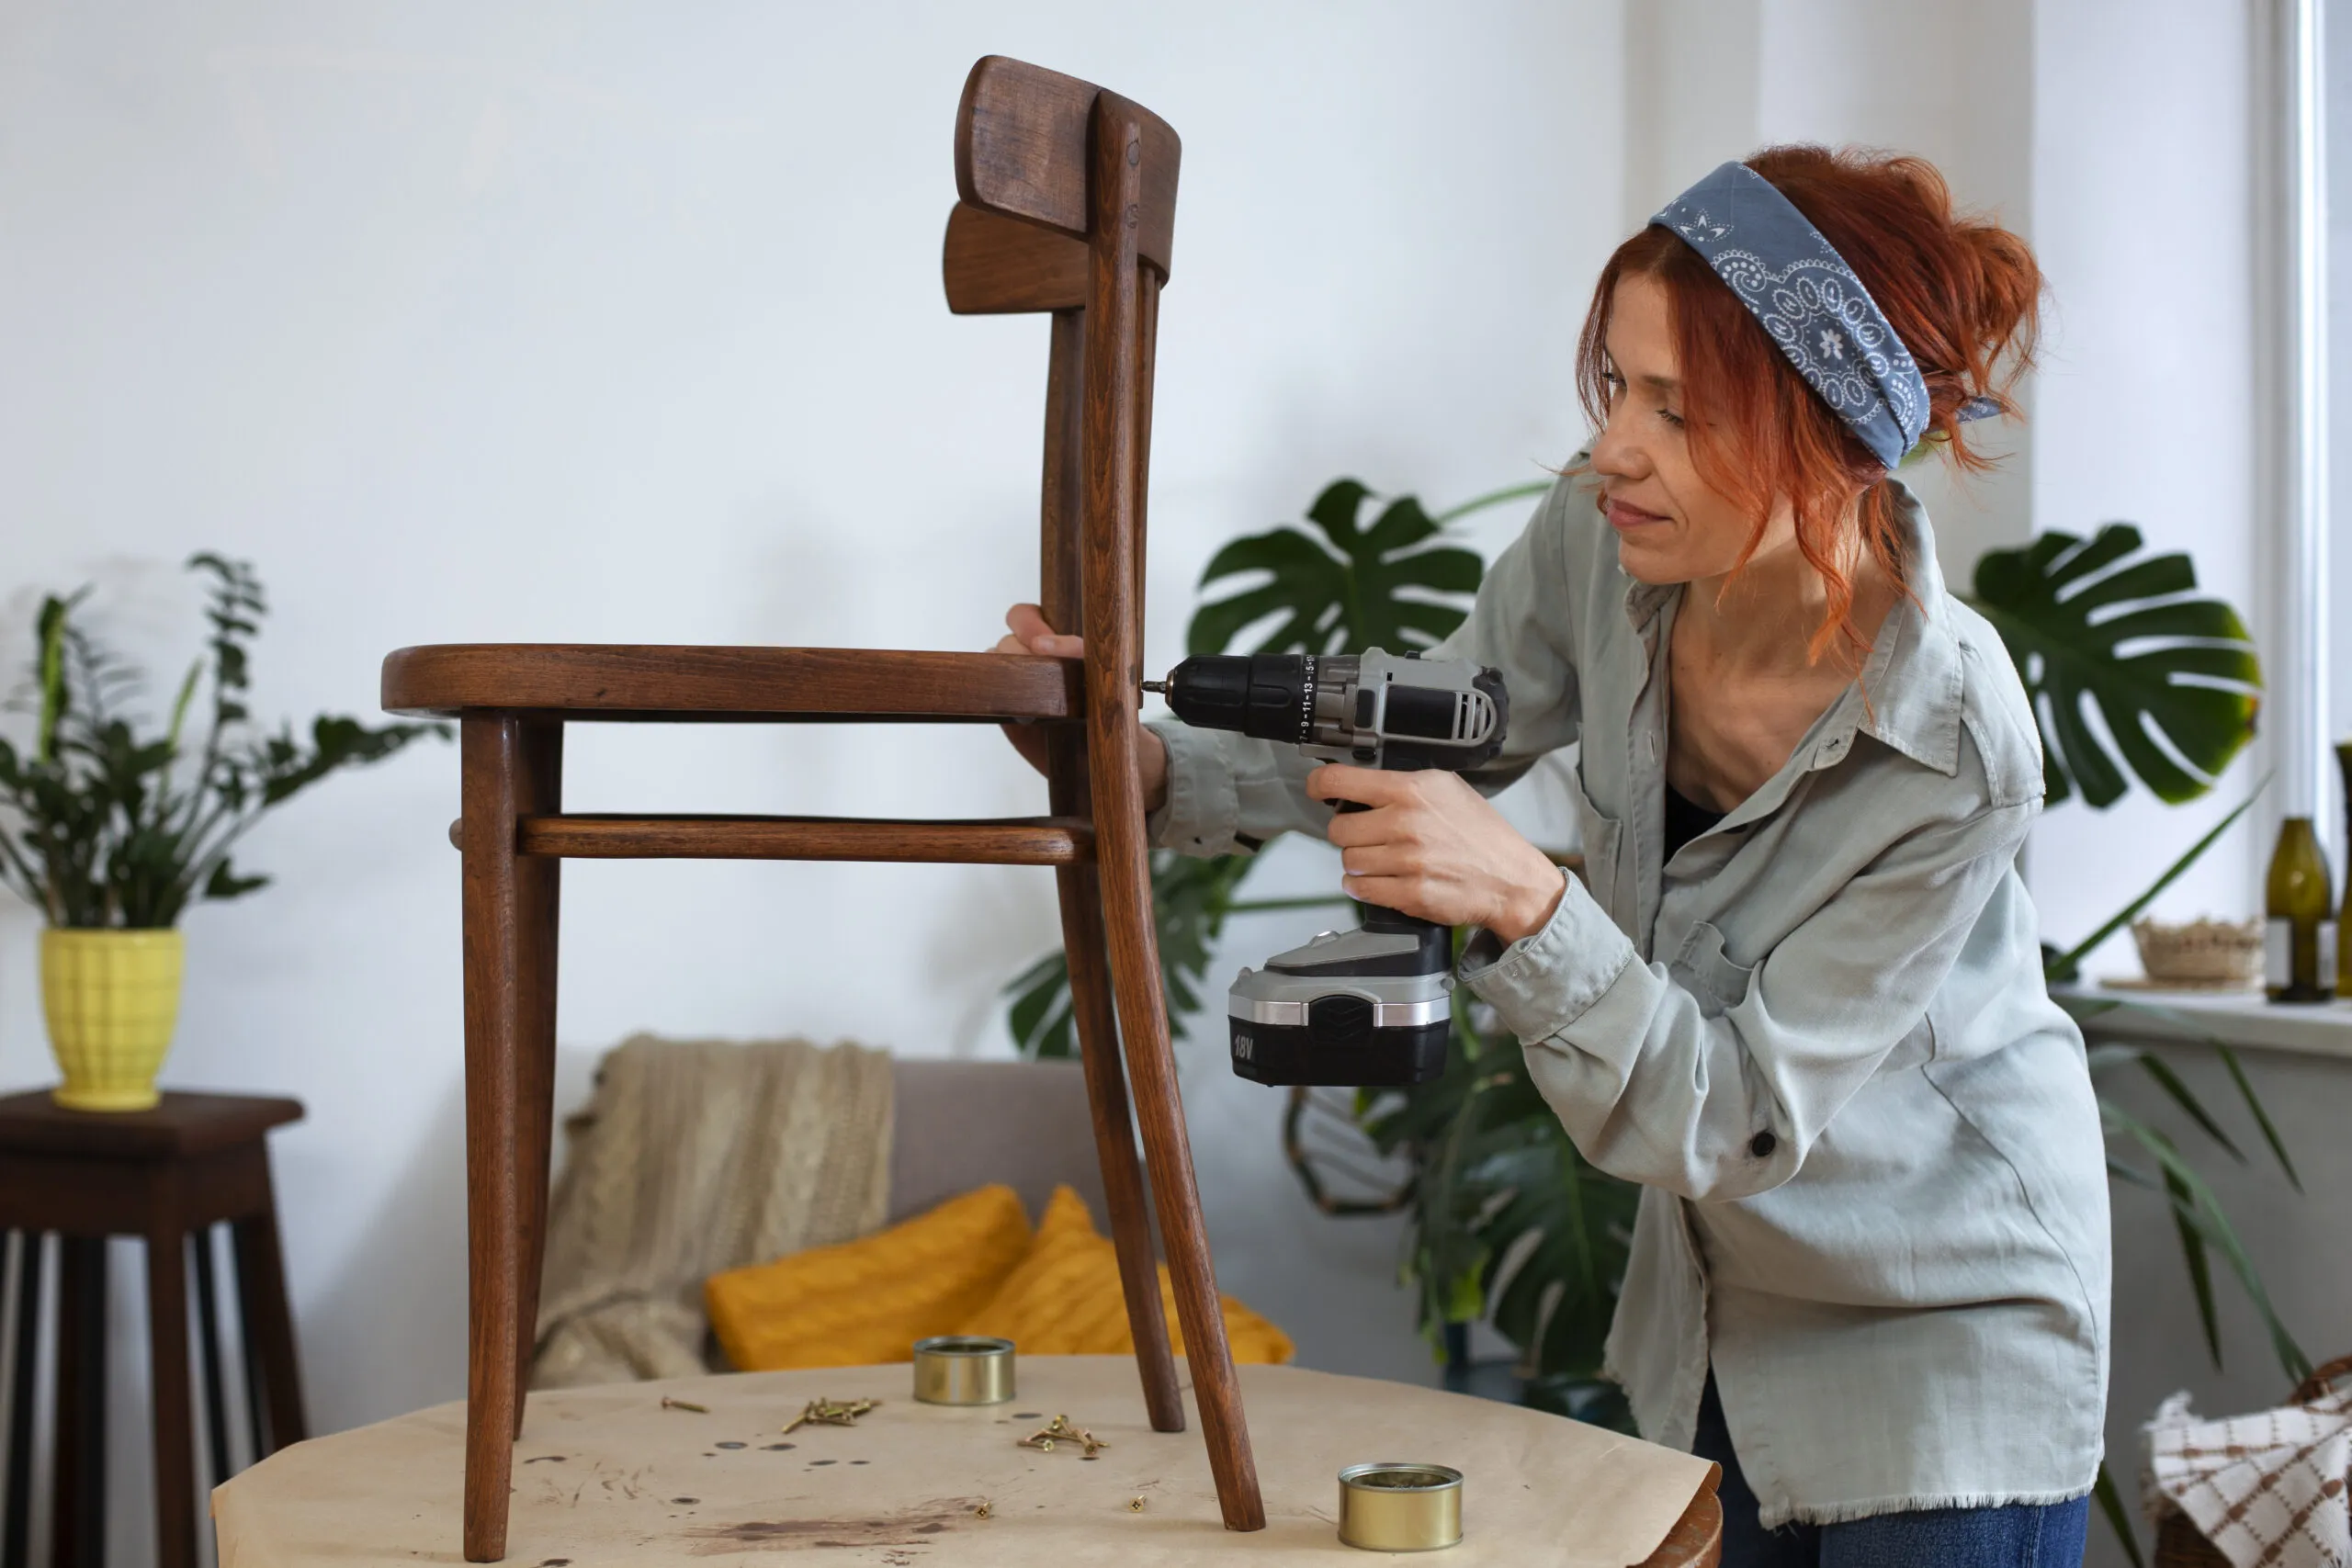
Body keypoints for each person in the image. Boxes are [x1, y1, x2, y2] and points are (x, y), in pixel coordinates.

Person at [995, 146, 2107, 1568]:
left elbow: (1740, 1113)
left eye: (1680, 409)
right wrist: (1142, 765)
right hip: (1719, 1321)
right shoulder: (1601, 543)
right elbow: (1433, 736)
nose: (1614, 449)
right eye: (1618, 386)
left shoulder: (1951, 740)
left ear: (1829, 433)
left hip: (1948, 1340)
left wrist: (1528, 900)